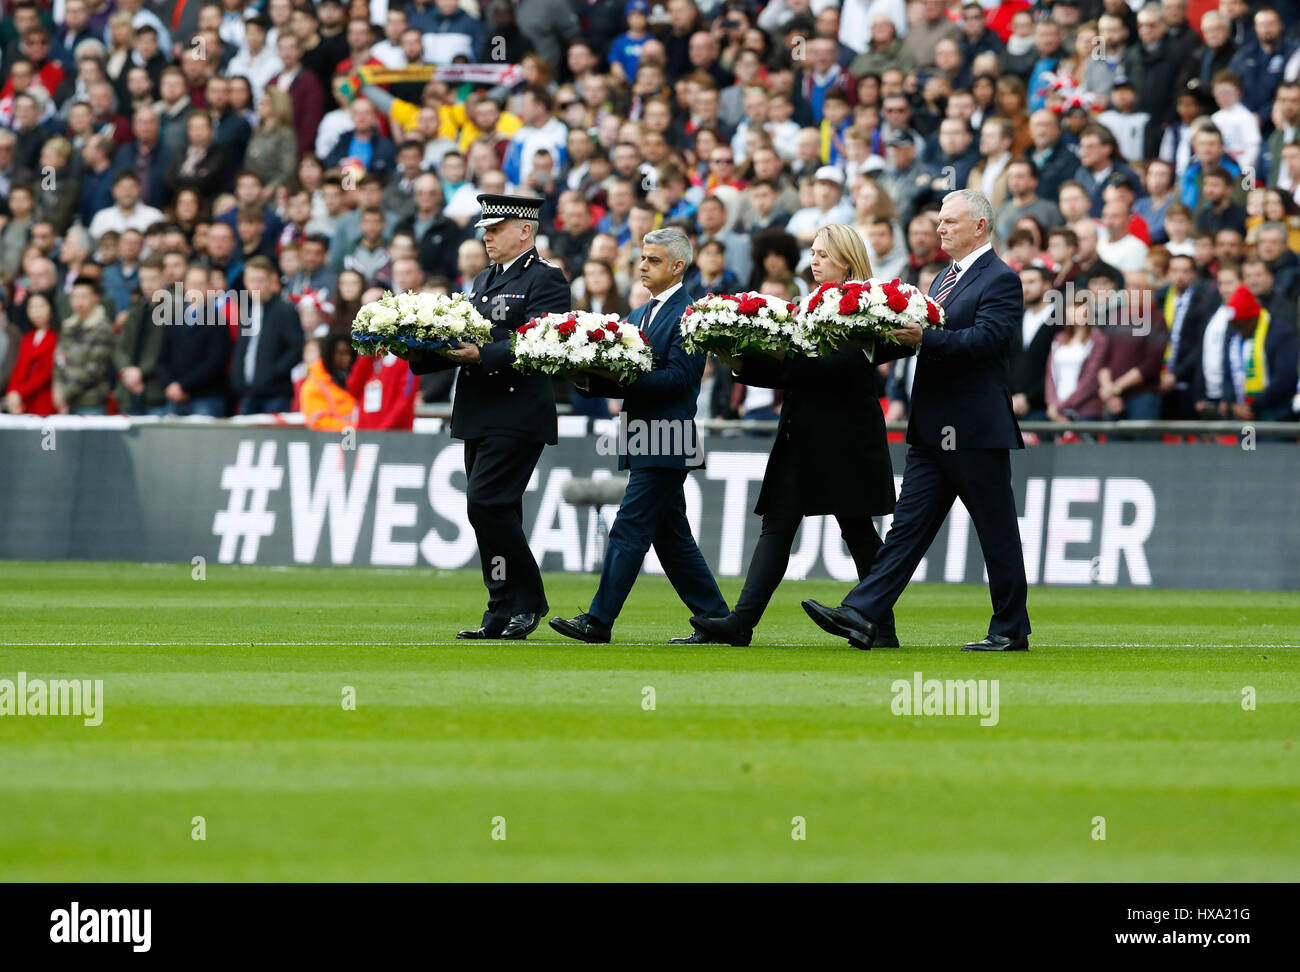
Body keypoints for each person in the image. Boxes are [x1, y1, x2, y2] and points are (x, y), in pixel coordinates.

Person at [802, 189, 1031, 652]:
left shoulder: (1001, 279)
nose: (939, 228)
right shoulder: (945, 277)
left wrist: (926, 339)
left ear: (979, 227)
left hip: (974, 429)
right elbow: (922, 337)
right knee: (906, 528)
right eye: (939, 221)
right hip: (934, 427)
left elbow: (987, 341)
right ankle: (862, 614)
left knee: (996, 530)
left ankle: (1010, 628)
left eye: (949, 221)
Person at [689, 224, 911, 647]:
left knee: (857, 529)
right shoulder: (808, 303)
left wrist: (779, 357)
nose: (814, 260)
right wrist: (737, 359)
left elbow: (837, 366)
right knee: (778, 525)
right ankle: (741, 622)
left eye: (823, 254)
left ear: (846, 260)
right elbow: (792, 372)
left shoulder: (866, 306)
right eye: (812, 252)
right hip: (802, 433)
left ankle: (882, 627)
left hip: (846, 437)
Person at [549, 228, 729, 645]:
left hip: (668, 438)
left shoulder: (690, 315)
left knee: (629, 527)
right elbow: (626, 378)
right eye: (642, 258)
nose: (642, 266)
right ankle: (718, 618)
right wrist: (586, 376)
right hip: (642, 436)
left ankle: (599, 620)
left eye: (653, 260)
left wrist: (623, 377)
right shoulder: (639, 314)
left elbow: (680, 379)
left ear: (678, 266)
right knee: (671, 537)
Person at [408, 193, 570, 641]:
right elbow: (462, 340)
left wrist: (484, 353)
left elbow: (541, 342)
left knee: (485, 503)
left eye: (496, 229)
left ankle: (528, 600)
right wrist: (416, 348)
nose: (488, 237)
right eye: (485, 230)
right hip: (480, 411)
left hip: (518, 411)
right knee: (493, 511)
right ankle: (500, 606)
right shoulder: (482, 279)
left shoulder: (546, 279)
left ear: (525, 230)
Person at [230, 256, 304, 414]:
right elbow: (243, 350)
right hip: (248, 394)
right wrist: (238, 380)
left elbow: (296, 348)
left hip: (276, 395)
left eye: (261, 280)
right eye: (251, 280)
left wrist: (272, 373)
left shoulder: (285, 310)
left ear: (272, 281)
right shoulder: (247, 311)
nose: (256, 286)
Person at [3, 292, 57, 415]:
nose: (36, 311)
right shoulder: (27, 338)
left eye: (41, 306)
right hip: (22, 402)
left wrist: (19, 392)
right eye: (32, 307)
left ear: (50, 308)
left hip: (43, 400)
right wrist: (12, 393)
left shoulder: (55, 338)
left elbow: (45, 373)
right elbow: (19, 368)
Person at [300, 333, 359, 430]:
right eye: (341, 354)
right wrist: (353, 428)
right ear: (330, 355)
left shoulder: (355, 381)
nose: (347, 358)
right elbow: (318, 422)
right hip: (332, 441)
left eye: (350, 353)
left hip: (357, 439)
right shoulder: (314, 386)